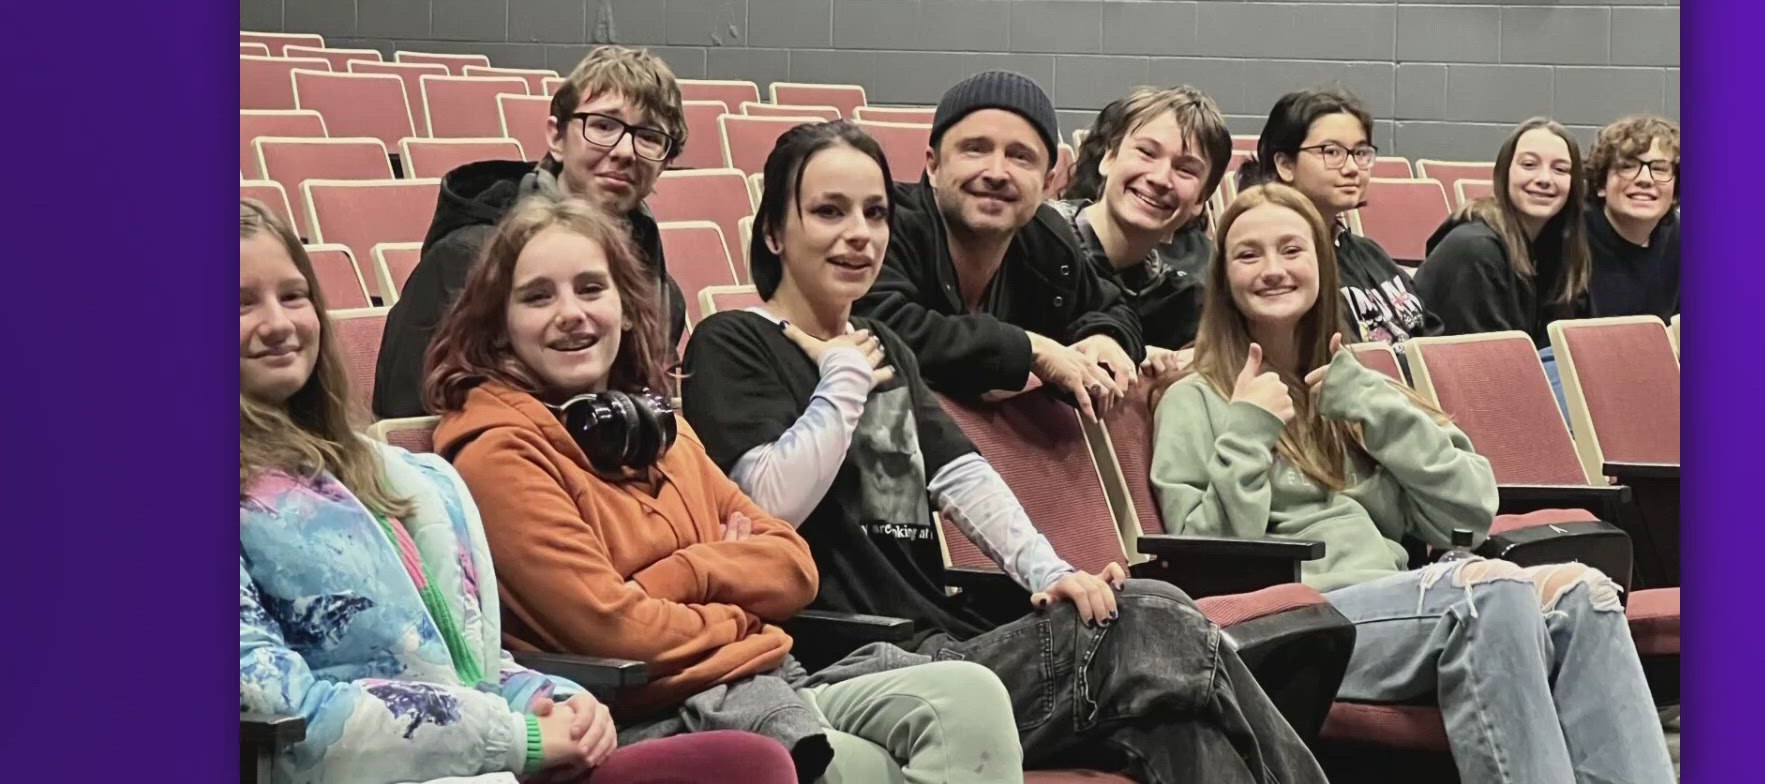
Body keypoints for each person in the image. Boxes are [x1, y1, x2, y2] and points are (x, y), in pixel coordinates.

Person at [683, 121, 1330, 784]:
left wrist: (1051, 573)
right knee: (1157, 614)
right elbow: (768, 502)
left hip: (940, 640)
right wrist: (843, 381)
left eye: (875, 213)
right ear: (772, 233)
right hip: (843, 657)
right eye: (828, 211)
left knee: (1177, 729)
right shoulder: (733, 342)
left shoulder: (886, 347)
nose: (860, 234)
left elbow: (964, 477)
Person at [424, 194, 1025, 784]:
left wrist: (683, 576)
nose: (572, 313)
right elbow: (614, 629)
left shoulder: (658, 427)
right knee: (862, 769)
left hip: (755, 681)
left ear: (626, 308)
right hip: (646, 717)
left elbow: (794, 567)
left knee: (968, 698)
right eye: (537, 297)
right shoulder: (499, 450)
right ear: (500, 327)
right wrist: (741, 601)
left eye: (590, 288)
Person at [239, 198, 798, 784]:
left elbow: (471, 660)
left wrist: (550, 695)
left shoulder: (400, 477)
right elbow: (280, 707)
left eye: (294, 295)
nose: (279, 323)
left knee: (747, 764)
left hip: (490, 764)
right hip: (428, 766)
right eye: (242, 302)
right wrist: (517, 735)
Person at [1151, 184, 1675, 784]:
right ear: (1224, 278)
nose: (1273, 269)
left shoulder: (1353, 387)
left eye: (1292, 250)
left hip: (1400, 604)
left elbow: (1473, 508)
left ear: (1322, 263)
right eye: (1249, 255)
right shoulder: (1196, 397)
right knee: (1491, 592)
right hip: (1290, 628)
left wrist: (1377, 411)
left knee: (1584, 594)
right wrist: (1249, 429)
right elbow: (1210, 555)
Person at [372, 45, 690, 419]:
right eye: (604, 126)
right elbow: (409, 424)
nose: (625, 151)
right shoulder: (463, 260)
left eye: (650, 136)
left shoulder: (662, 293)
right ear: (556, 137)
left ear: (665, 161)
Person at [854, 70, 1145, 419]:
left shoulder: (1048, 242)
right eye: (975, 149)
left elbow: (1113, 308)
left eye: (1020, 156)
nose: (996, 172)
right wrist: (1029, 349)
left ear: (1047, 182)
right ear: (933, 166)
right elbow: (878, 328)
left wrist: (1106, 336)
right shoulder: (882, 224)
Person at [1049, 86, 1230, 365]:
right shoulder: (1033, 240)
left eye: (1185, 169)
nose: (1160, 178)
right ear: (1109, 158)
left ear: (1201, 200)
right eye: (1146, 152)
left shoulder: (1180, 302)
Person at [1241, 90, 1437, 345]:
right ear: (1286, 165)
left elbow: (1435, 339)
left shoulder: (1368, 253)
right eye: (1331, 152)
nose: (1352, 168)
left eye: (1360, 153)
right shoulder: (1282, 271)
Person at [1414, 117, 1591, 349]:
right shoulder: (1474, 250)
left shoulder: (1556, 250)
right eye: (1529, 165)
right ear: (1504, 173)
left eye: (1560, 169)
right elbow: (1488, 365)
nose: (1545, 179)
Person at [1584, 115, 1680, 320]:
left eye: (1660, 169)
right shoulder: (1569, 238)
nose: (1645, 179)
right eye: (1627, 166)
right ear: (1601, 184)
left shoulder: (1683, 241)